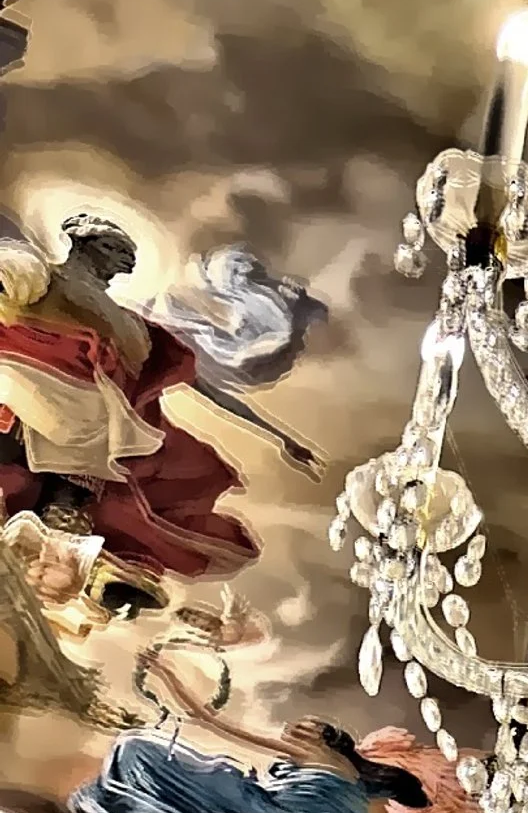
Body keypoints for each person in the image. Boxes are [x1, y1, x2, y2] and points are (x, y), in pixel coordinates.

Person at [0, 217, 316, 588]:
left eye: (127, 256)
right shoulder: (39, 276)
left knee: (72, 497)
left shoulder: (133, 326)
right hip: (24, 388)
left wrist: (279, 435)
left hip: (88, 430)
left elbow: (206, 387)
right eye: (117, 250)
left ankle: (61, 545)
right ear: (86, 243)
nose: (126, 264)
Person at [70, 713, 438, 813]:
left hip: (265, 806)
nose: (292, 732)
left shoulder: (314, 754)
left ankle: (129, 803)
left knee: (136, 746)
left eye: (302, 728)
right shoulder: (354, 772)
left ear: (321, 736)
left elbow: (214, 720)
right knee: (188, 763)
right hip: (275, 805)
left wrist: (167, 675)